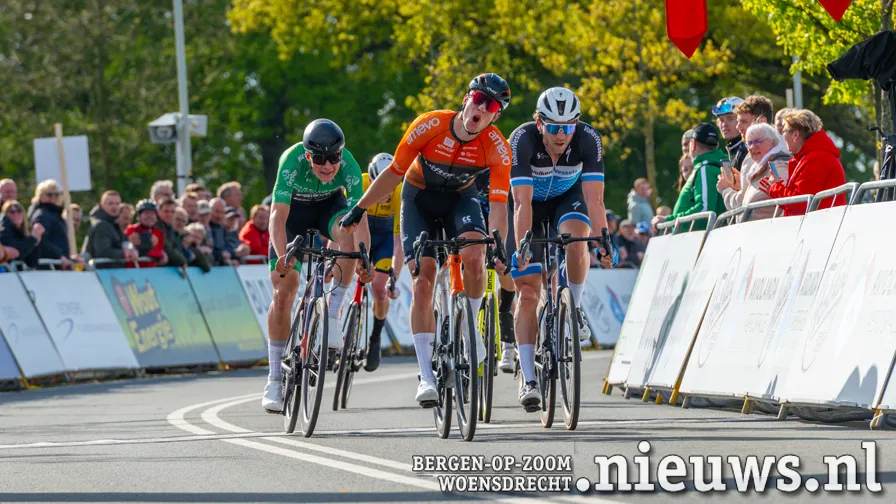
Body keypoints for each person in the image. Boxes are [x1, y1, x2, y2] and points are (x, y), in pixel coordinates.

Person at [340, 73, 512, 405]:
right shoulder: (429, 125)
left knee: (476, 257)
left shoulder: (497, 148)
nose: (481, 108)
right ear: (466, 99)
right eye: (478, 99)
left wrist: (498, 243)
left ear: (495, 115)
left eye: (490, 106)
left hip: (461, 200)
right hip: (419, 198)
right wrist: (360, 209)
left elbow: (500, 205)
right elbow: (393, 174)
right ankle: (426, 375)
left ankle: (470, 327)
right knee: (423, 281)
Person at [507, 86, 616, 411]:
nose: (561, 135)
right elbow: (521, 202)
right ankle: (528, 378)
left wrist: (604, 240)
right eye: (554, 127)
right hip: (530, 208)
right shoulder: (522, 139)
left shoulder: (588, 139)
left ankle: (574, 306)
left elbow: (595, 199)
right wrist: (525, 243)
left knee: (578, 236)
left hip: (566, 200)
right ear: (539, 123)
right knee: (527, 293)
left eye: (568, 127)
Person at [263, 118, 372, 413]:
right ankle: (274, 379)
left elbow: (358, 218)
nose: (328, 166)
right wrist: (282, 257)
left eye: (333, 158)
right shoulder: (291, 161)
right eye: (320, 159)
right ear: (308, 156)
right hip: (293, 214)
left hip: (328, 208)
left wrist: (365, 257)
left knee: (347, 231)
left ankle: (333, 311)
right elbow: (277, 216)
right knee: (284, 291)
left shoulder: (348, 165)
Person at [355, 153, 405, 372]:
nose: (384, 195)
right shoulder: (360, 183)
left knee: (379, 288)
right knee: (341, 277)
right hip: (360, 233)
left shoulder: (401, 193)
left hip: (385, 239)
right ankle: (333, 332)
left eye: (388, 190)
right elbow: (343, 225)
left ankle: (375, 337)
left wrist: (394, 276)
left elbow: (398, 242)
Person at [760, 109, 847, 215]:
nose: (782, 136)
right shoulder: (812, 157)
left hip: (821, 227)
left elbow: (801, 203)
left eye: (784, 131)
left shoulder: (817, 159)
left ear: (795, 135)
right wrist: (775, 188)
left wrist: (775, 188)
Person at [654, 123, 728, 231]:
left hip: (696, 241)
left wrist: (668, 220)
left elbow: (704, 210)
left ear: (693, 145)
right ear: (716, 146)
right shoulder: (720, 164)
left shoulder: (705, 169)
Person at [712, 97, 748, 170]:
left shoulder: (747, 150)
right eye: (721, 120)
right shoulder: (734, 149)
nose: (724, 124)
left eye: (730, 119)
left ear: (742, 121)